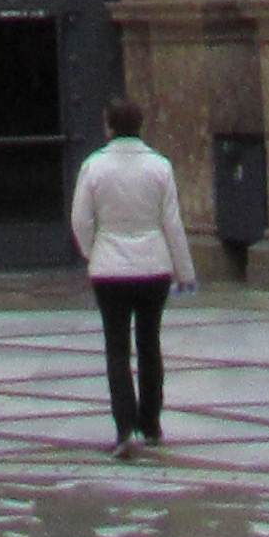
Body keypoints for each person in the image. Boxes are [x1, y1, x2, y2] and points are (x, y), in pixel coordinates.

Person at [69, 93, 196, 456]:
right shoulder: (160, 167)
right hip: (154, 267)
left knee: (117, 350)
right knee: (149, 345)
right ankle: (151, 423)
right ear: (141, 126)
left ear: (109, 126)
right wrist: (184, 271)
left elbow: (80, 220)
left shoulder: (93, 167)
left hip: (110, 270)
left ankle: (124, 429)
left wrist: (94, 252)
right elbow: (172, 223)